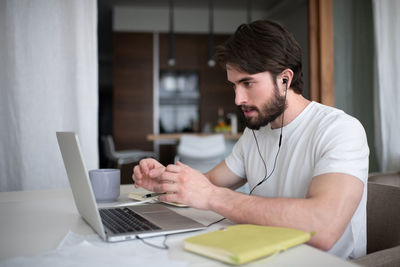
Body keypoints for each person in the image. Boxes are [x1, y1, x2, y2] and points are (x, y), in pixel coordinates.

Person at [132, 20, 369, 259]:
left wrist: (212, 196)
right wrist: (165, 183)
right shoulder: (254, 134)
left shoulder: (340, 130)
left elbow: (323, 227)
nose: (237, 99)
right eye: (234, 85)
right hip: (265, 255)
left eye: (247, 83)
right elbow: (210, 182)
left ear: (285, 79)